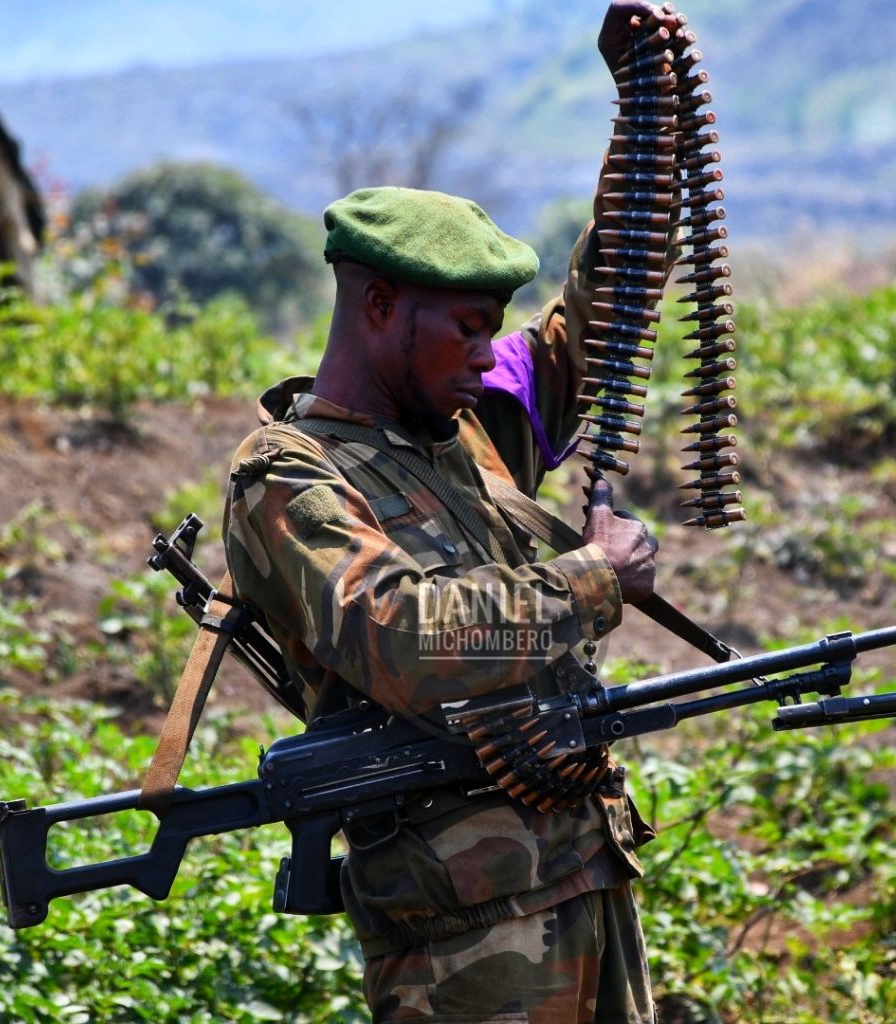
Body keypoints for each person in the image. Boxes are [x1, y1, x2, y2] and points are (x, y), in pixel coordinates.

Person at [223, 7, 682, 1018]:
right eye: (468, 329)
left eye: (494, 330)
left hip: (584, 891)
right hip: (464, 952)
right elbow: (402, 636)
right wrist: (594, 579)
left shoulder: (465, 429)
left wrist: (645, 113)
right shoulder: (288, 479)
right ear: (381, 307)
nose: (489, 354)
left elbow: (602, 314)